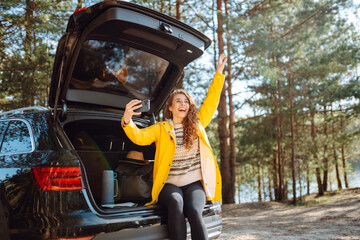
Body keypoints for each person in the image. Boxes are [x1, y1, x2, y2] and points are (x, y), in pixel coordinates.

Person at [121, 54, 227, 240]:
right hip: (169, 185)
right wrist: (127, 120)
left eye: (186, 101)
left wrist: (218, 74)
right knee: (176, 204)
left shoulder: (197, 124)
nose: (183, 104)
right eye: (178, 101)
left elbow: (211, 101)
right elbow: (139, 137)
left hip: (194, 184)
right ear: (170, 107)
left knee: (194, 210)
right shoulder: (161, 128)